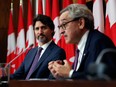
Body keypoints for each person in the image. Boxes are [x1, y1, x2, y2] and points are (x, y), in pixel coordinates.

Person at [48, 4, 115, 80]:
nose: (61, 32)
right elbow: (81, 76)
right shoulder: (82, 47)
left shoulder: (99, 43)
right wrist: (62, 76)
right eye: (60, 27)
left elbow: (104, 80)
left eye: (64, 25)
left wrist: (70, 73)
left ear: (81, 23)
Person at [10, 14, 66, 80]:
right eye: (37, 29)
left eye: (44, 28)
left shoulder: (57, 52)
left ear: (52, 30)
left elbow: (52, 79)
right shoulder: (31, 52)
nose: (40, 32)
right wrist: (3, 77)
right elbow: (18, 75)